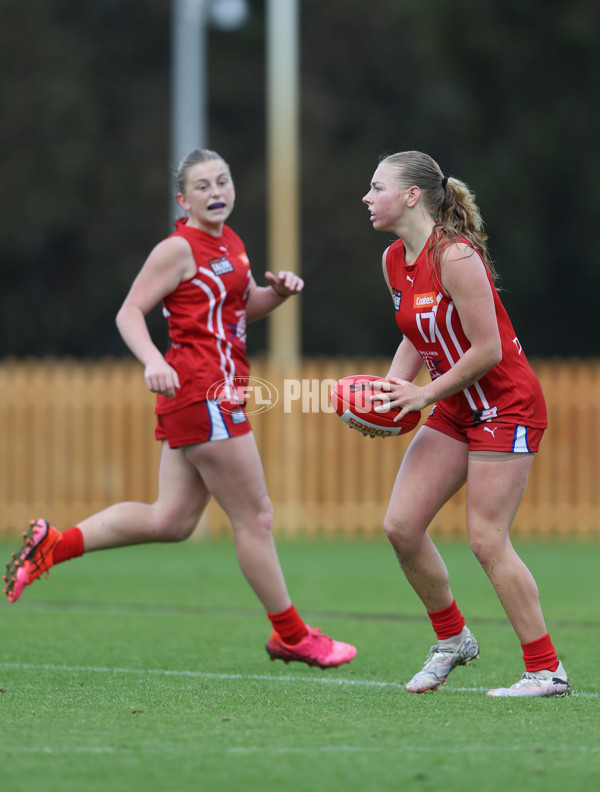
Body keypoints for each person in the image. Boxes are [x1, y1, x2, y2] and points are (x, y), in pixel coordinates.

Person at [3, 148, 356, 671]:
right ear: (183, 199)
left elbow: (238, 309)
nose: (216, 192)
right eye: (203, 186)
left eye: (223, 181)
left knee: (170, 520)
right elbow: (130, 311)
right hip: (201, 392)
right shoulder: (177, 249)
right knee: (255, 517)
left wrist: (276, 294)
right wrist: (151, 360)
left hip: (208, 393)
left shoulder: (230, 242)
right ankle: (293, 635)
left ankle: (54, 545)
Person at [361, 150, 568, 697]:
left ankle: (546, 669)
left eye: (377, 187)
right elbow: (416, 330)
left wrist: (422, 394)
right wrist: (389, 394)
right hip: (457, 407)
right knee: (401, 527)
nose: (367, 197)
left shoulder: (455, 257)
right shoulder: (393, 260)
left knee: (486, 539)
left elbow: (488, 350)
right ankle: (452, 640)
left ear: (411, 196)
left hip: (506, 402)